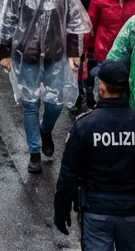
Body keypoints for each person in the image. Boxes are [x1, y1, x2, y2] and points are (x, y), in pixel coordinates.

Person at [0, 0, 91, 172]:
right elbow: (8, 19)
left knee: (55, 102)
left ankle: (46, 130)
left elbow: (74, 22)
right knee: (30, 104)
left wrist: (73, 54)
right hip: (26, 55)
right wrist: (4, 54)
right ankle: (34, 153)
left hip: (54, 55)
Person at [54, 60, 135, 247]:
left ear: (102, 89)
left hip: (96, 211)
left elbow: (69, 173)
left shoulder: (85, 126)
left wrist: (62, 208)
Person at [86, 0, 135, 108]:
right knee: (104, 100)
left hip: (128, 58)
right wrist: (85, 51)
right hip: (104, 56)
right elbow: (90, 25)